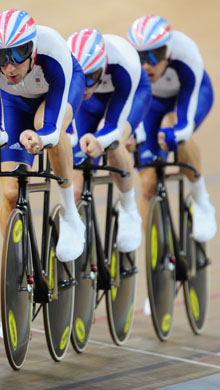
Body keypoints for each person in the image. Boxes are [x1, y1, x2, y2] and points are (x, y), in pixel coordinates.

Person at [0, 9, 85, 262]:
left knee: (46, 126)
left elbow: (49, 127)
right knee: (10, 193)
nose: (9, 66)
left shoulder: (53, 50)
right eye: (1, 58)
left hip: (58, 93)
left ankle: (70, 215)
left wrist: (42, 138)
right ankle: (15, 264)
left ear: (32, 48)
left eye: (17, 56)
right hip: (15, 101)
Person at [126, 15, 217, 243]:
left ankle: (200, 199)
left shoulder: (186, 54)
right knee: (148, 184)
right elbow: (130, 108)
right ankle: (153, 255)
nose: (147, 64)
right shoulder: (129, 64)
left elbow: (184, 122)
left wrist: (174, 132)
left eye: (154, 55)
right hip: (152, 104)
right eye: (141, 56)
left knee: (175, 127)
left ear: (167, 51)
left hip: (189, 97)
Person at [67, 28, 152, 253]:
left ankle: (128, 208)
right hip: (89, 106)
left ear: (103, 67)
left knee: (115, 143)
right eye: (79, 79)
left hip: (129, 96)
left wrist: (101, 140)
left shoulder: (125, 64)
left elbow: (114, 127)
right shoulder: (66, 63)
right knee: (76, 187)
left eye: (91, 78)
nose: (84, 86)